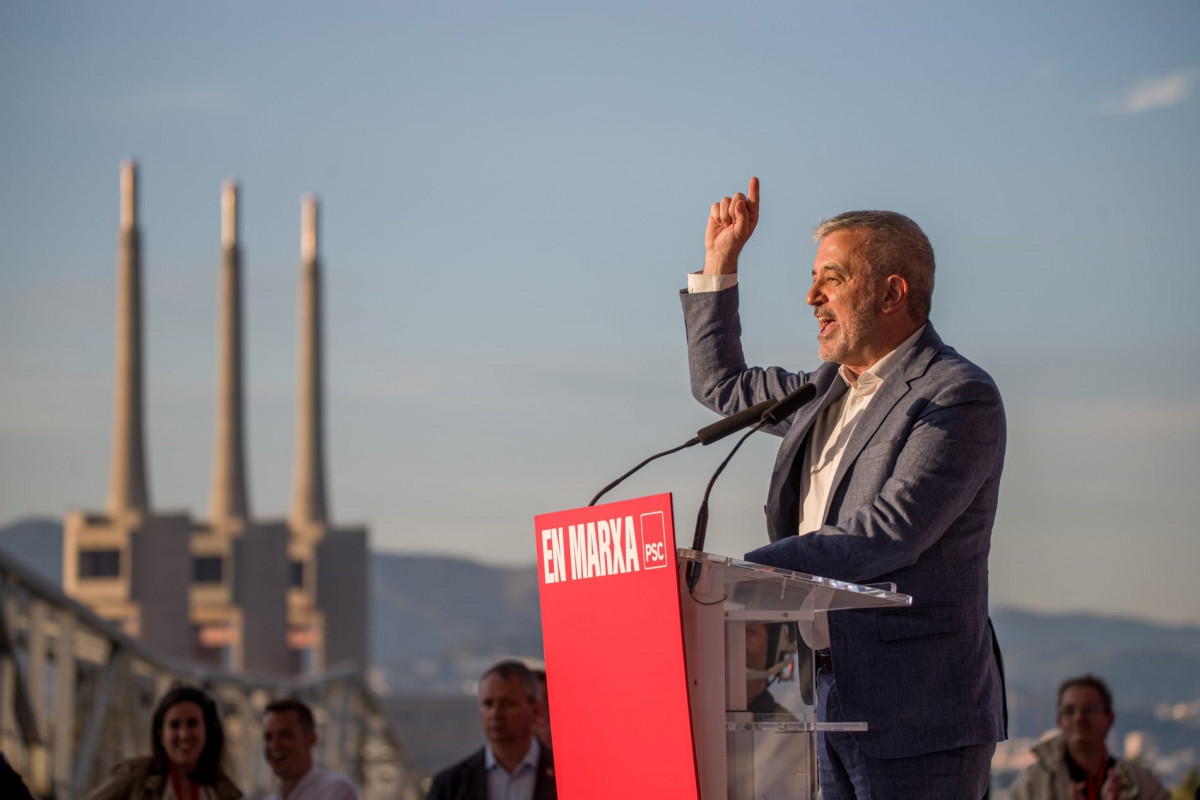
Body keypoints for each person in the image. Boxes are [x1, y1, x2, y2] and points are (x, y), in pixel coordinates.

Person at [681, 177, 1007, 799]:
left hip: (919, 721)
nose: (811, 296)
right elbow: (722, 388)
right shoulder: (821, 390)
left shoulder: (957, 395)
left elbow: (889, 533)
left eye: (832, 278)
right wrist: (720, 264)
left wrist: (735, 575)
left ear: (892, 292)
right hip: (821, 702)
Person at [1007, 675, 1169, 800]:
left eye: (1089, 709)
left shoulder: (1142, 784)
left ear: (1109, 718)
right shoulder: (1032, 785)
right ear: (1059, 722)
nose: (1079, 718)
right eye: (1069, 711)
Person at [83, 684, 242, 800]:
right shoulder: (135, 777)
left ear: (208, 731)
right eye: (175, 725)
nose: (184, 734)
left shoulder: (225, 792)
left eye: (192, 723)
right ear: (161, 735)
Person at [427, 660, 556, 800]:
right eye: (488, 704)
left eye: (508, 704)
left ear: (535, 710)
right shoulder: (450, 785)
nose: (495, 714)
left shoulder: (565, 777)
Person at [262, 698, 358, 800]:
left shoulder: (336, 789)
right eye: (268, 737)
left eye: (286, 735)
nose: (274, 745)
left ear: (311, 739)